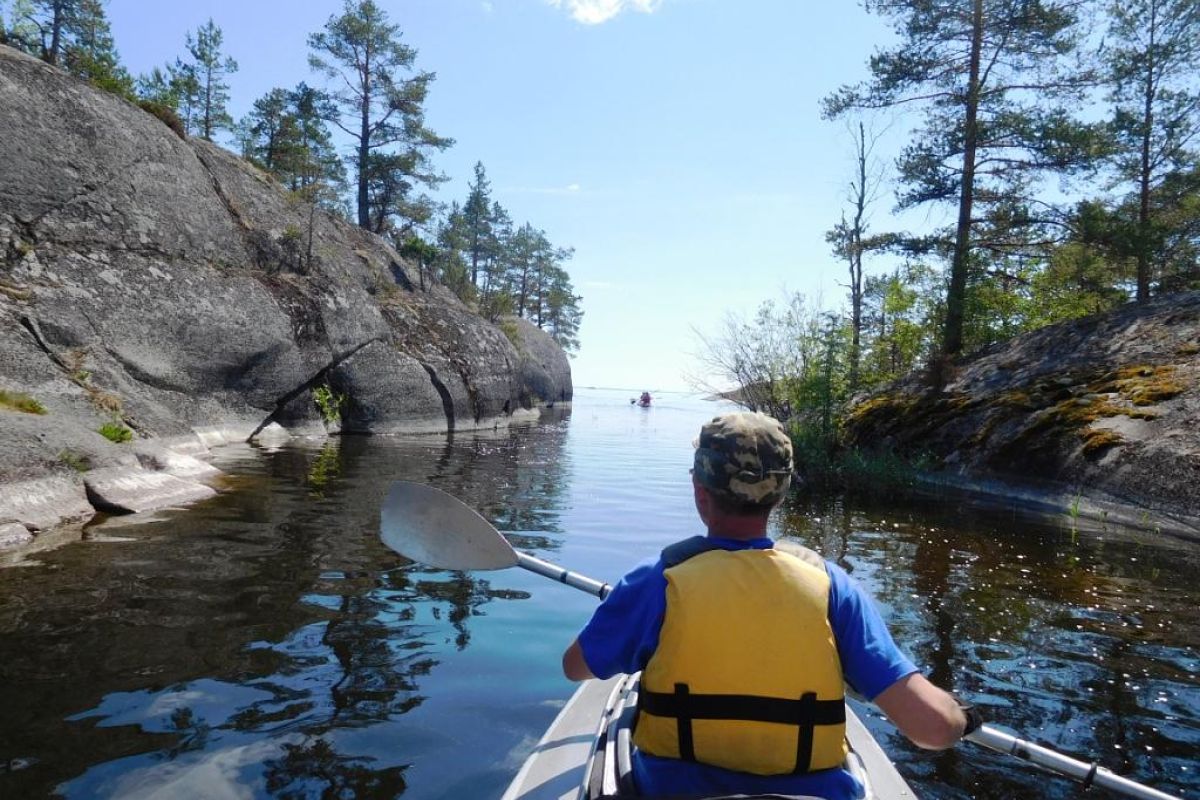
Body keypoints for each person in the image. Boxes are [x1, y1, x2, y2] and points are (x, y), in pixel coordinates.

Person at [562, 411, 980, 799]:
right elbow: (934, 729)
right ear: (778, 497)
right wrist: (961, 717)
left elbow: (575, 667)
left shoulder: (657, 579)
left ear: (700, 492)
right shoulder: (832, 587)